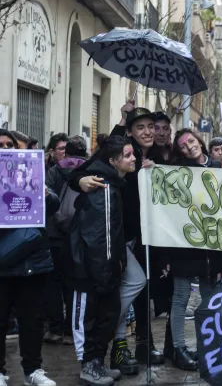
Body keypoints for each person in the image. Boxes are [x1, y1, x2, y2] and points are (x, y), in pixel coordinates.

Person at [70, 103, 166, 374]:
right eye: (141, 127)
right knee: (129, 286)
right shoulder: (123, 153)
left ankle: (114, 342)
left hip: (136, 238)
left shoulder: (154, 155)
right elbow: (88, 170)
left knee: (130, 288)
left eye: (151, 127)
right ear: (130, 131)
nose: (147, 132)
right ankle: (109, 337)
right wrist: (80, 181)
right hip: (111, 241)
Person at [66, 136, 137, 386]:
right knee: (89, 318)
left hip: (105, 268)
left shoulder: (114, 183)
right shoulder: (103, 186)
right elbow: (101, 234)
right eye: (127, 155)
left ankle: (97, 363)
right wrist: (106, 269)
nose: (133, 158)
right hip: (91, 269)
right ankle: (88, 365)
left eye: (132, 154)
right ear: (112, 160)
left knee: (107, 314)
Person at [0, 129, 60, 386]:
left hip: (32, 262)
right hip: (2, 264)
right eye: (0, 144)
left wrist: (46, 194)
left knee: (33, 322)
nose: (5, 148)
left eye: (9, 144)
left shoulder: (30, 173)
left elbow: (54, 205)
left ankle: (32, 371)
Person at [164, 131, 222, 370]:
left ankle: (208, 348)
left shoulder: (217, 165)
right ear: (179, 152)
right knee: (181, 297)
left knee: (209, 299)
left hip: (211, 245)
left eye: (191, 141)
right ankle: (179, 348)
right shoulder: (178, 171)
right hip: (185, 244)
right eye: (183, 145)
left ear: (199, 141)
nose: (189, 147)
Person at [43, 136, 89, 346]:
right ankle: (72, 330)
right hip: (77, 234)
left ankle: (55, 329)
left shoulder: (53, 171)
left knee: (53, 283)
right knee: (73, 283)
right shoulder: (89, 170)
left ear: (66, 152)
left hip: (53, 234)